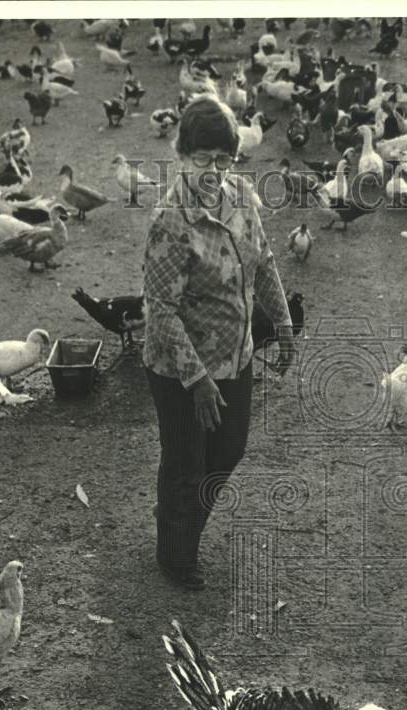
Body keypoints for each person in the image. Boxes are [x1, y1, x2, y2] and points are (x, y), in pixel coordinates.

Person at [142, 95, 295, 591]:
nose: (214, 170)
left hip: (236, 355)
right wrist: (198, 381)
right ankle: (174, 556)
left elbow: (265, 260)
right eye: (203, 158)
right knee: (186, 464)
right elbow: (160, 309)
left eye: (224, 158)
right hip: (180, 368)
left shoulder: (242, 198)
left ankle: (181, 523)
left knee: (227, 450)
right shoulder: (170, 220)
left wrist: (284, 323)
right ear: (182, 155)